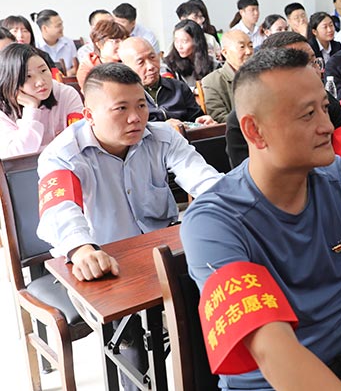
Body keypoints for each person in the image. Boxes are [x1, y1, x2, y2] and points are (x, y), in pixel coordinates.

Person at [181, 47, 341, 391]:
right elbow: (274, 352)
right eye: (307, 114)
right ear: (255, 131)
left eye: (324, 107)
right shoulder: (212, 222)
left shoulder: (337, 178)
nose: (327, 126)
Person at [35, 62, 220, 390]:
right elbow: (59, 210)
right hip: (104, 265)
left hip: (161, 252)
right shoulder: (62, 154)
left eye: (141, 105)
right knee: (128, 336)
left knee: (208, 297)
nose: (136, 118)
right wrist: (81, 248)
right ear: (90, 115)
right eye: (121, 109)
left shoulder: (162, 137)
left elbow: (203, 179)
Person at [225, 31, 341, 189]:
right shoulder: (244, 120)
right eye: (300, 64)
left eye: (314, 62)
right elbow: (251, 181)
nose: (314, 71)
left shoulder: (326, 101)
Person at [0, 44, 83, 157]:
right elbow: (16, 156)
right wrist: (31, 109)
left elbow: (80, 140)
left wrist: (41, 149)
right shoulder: (2, 110)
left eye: (43, 70)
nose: (40, 82)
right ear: (11, 81)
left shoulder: (66, 94)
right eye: (28, 76)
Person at [118, 38, 214, 125]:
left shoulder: (179, 87)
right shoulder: (124, 96)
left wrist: (202, 121)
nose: (150, 66)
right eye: (140, 62)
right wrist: (163, 128)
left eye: (152, 57)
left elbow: (195, 118)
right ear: (126, 67)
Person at [201, 30, 254, 122]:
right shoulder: (212, 81)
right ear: (225, 52)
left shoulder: (262, 75)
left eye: (251, 46)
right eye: (242, 47)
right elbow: (219, 117)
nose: (249, 51)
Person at [76, 20, 130, 89]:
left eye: (124, 40)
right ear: (99, 44)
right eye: (116, 41)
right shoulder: (88, 67)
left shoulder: (130, 61)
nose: (122, 45)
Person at [164, 19, 217, 88]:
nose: (179, 46)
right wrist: (193, 91)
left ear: (197, 42)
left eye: (184, 42)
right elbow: (171, 88)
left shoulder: (213, 64)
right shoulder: (168, 65)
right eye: (176, 41)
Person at [34, 9, 78, 76]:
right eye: (58, 26)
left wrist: (69, 73)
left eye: (61, 24)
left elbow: (76, 66)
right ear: (44, 28)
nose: (62, 28)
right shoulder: (35, 45)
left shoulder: (68, 43)